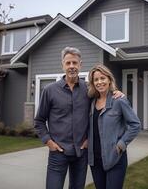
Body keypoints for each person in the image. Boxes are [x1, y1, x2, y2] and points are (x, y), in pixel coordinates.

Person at [34, 47, 123, 189]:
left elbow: (102, 99)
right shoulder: (49, 90)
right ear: (62, 65)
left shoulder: (89, 89)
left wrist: (116, 92)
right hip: (58, 153)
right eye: (68, 63)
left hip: (81, 153)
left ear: (80, 64)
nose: (72, 67)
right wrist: (48, 141)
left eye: (75, 63)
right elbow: (39, 121)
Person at [87, 64, 141, 189]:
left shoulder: (119, 101)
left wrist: (122, 144)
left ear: (109, 79)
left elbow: (135, 125)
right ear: (93, 83)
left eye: (103, 78)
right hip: (95, 160)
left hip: (115, 158)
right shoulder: (91, 102)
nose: (99, 82)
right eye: (96, 80)